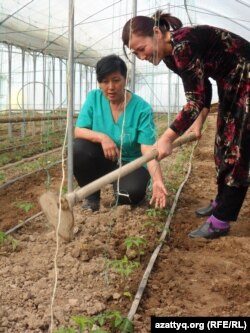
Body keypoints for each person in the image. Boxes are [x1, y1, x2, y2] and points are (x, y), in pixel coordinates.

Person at [122, 10, 250, 239]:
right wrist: (198, 123)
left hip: (246, 77)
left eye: (142, 49)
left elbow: (194, 101)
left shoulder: (183, 45)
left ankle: (221, 220)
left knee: (237, 150)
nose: (141, 57)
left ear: (156, 33)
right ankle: (221, 202)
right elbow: (203, 88)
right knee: (222, 144)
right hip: (230, 80)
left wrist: (167, 137)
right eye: (135, 53)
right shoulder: (171, 56)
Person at [73, 54, 167, 212]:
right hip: (105, 159)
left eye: (116, 80)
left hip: (131, 164)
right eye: (104, 81)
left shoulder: (141, 108)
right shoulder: (94, 98)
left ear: (126, 79)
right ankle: (92, 197)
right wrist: (103, 137)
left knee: (129, 195)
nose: (110, 87)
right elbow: (78, 130)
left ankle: (122, 190)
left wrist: (157, 180)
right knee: (78, 149)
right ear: (99, 83)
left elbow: (147, 148)